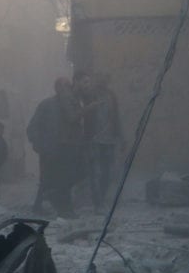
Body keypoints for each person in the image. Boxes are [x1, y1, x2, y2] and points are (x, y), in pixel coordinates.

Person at [27, 77, 83, 218]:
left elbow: (77, 125)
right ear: (57, 88)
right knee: (49, 179)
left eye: (68, 86)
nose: (67, 89)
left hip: (68, 149)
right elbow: (33, 126)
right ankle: (63, 209)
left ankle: (55, 207)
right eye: (64, 86)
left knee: (63, 179)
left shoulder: (73, 105)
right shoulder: (46, 105)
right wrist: (38, 144)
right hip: (50, 149)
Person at [81, 70, 124, 212]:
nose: (104, 81)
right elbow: (82, 113)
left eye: (106, 79)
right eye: (101, 79)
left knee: (107, 172)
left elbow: (116, 118)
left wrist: (120, 137)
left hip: (109, 140)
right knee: (94, 172)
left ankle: (102, 200)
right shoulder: (89, 95)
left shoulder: (112, 95)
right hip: (93, 139)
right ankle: (97, 203)